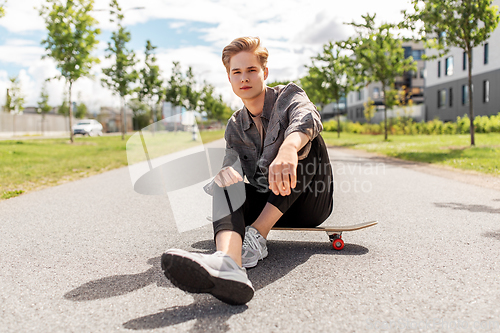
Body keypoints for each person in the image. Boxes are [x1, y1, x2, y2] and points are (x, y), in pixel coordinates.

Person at [161, 36, 334, 305]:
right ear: (229, 79)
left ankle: (256, 237)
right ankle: (228, 263)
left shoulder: (288, 95)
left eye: (251, 70)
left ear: (264, 72)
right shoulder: (234, 125)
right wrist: (224, 175)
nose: (244, 78)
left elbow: (307, 116)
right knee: (224, 180)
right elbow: (230, 168)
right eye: (236, 72)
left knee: (310, 141)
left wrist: (289, 148)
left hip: (307, 205)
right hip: (263, 203)